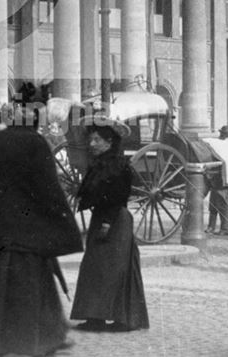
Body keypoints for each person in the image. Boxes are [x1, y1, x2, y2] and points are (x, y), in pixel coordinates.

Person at [0, 83, 82, 356]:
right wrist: (63, 231)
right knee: (29, 300)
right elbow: (50, 193)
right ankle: (33, 344)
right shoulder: (35, 143)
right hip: (25, 242)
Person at [70, 116, 149, 332]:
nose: (91, 144)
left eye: (96, 140)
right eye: (91, 139)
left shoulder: (118, 165)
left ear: (109, 142)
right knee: (97, 267)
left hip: (114, 220)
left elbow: (117, 197)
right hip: (104, 218)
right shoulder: (101, 164)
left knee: (113, 269)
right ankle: (96, 317)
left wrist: (106, 223)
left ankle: (122, 319)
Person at [207, 125, 228, 235]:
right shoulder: (220, 146)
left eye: (223, 134)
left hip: (223, 180)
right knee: (213, 204)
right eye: (221, 133)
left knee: (223, 204)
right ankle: (211, 226)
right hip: (216, 179)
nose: (221, 136)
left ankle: (226, 228)